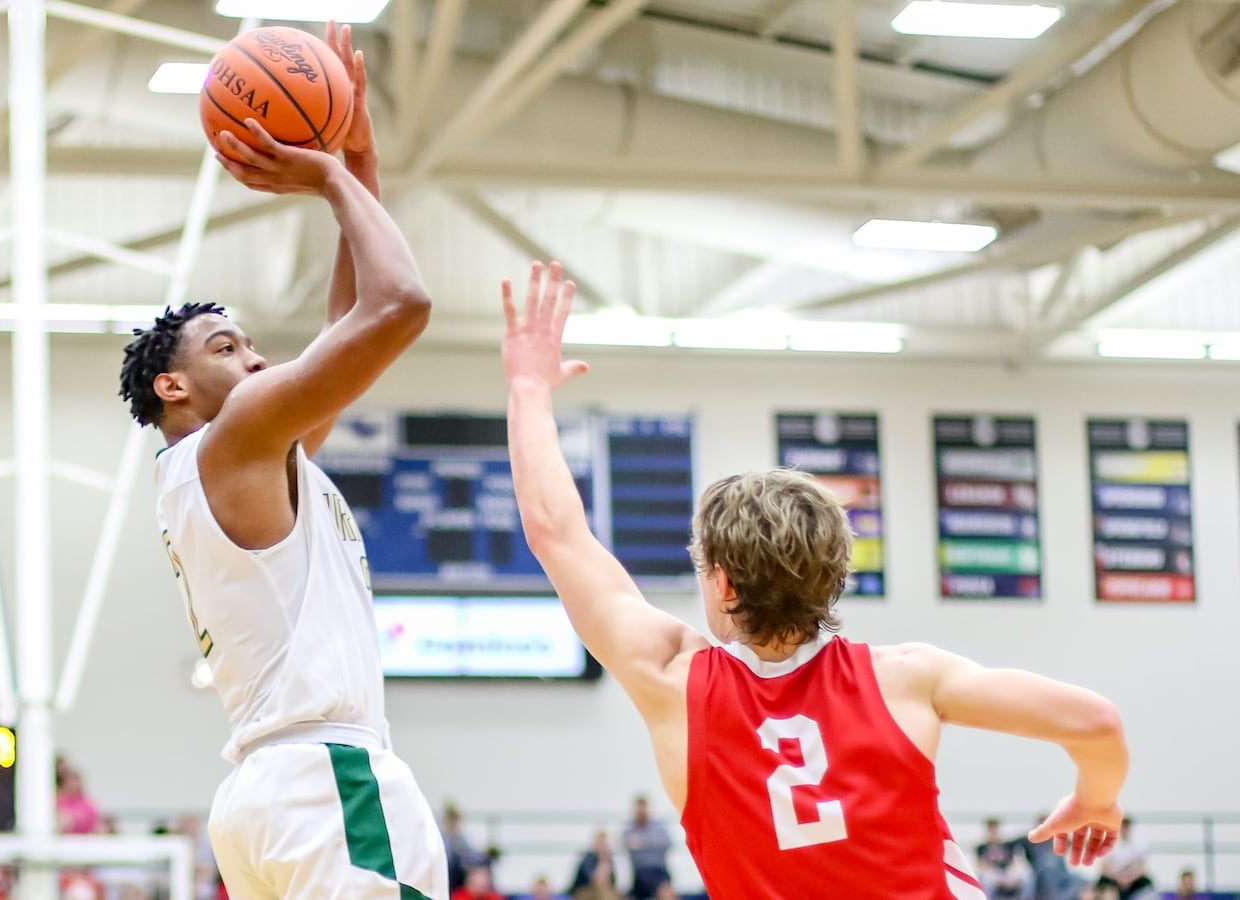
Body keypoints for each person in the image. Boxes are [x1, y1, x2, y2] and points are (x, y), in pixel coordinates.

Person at [497, 260, 1129, 899]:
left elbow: (556, 530)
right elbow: (1097, 722)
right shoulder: (908, 676)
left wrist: (528, 386)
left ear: (723, 585)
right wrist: (1096, 801)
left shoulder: (672, 680)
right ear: (834, 575)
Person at [118, 22, 443, 900]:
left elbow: (350, 323)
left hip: (269, 797)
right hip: (324, 777)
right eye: (228, 347)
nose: (256, 362)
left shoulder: (235, 463)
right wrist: (333, 177)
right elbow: (400, 304)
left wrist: (360, 159)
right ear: (175, 389)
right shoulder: (239, 438)